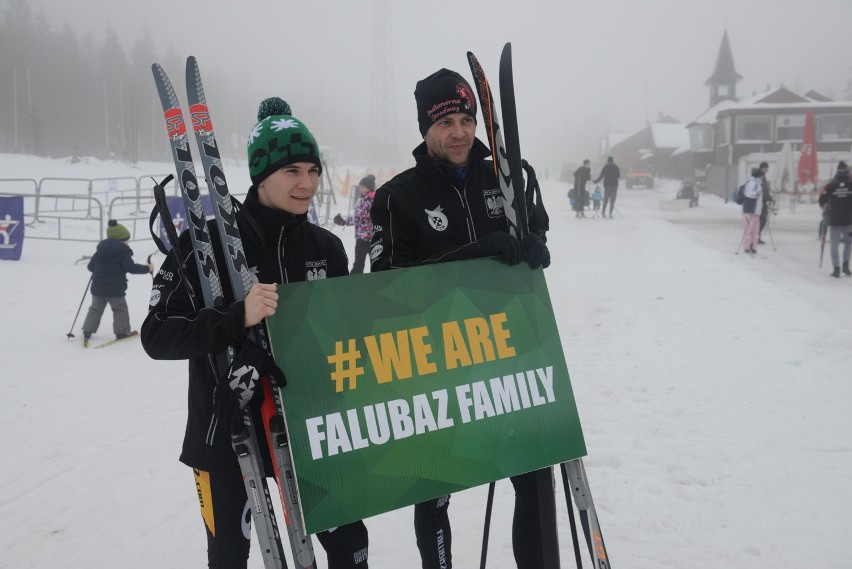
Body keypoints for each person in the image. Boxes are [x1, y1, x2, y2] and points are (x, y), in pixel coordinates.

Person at [141, 97, 368, 569]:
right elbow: (156, 333)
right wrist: (233, 319)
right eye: (291, 172)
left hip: (311, 429)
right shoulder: (204, 242)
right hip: (226, 433)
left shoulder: (327, 248)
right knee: (230, 557)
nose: (306, 183)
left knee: (350, 549)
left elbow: (344, 337)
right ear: (260, 176)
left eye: (313, 170)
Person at [369, 67, 552, 569]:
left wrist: (536, 247)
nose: (459, 132)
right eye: (445, 120)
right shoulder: (395, 197)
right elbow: (384, 284)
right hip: (434, 366)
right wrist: (471, 256)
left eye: (466, 118)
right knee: (435, 492)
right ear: (425, 129)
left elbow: (537, 229)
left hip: (510, 354)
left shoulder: (512, 176)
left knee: (535, 479)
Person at [81, 219, 153, 345]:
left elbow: (90, 267)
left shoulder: (100, 249)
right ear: (122, 239)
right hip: (115, 289)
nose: (127, 242)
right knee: (120, 309)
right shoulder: (123, 251)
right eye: (127, 239)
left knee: (95, 309)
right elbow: (130, 267)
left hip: (97, 287)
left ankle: (87, 330)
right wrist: (147, 269)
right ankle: (122, 332)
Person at [334, 174, 377, 273]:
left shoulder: (366, 201)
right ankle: (377, 280)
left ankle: (354, 282)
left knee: (359, 262)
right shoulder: (373, 199)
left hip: (363, 238)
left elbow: (359, 219)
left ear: (368, 188)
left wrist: (343, 221)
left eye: (362, 186)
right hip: (373, 237)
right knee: (375, 262)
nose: (360, 188)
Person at [818, 160, 852, 277]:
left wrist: (826, 208)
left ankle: (836, 268)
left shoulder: (831, 185)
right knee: (848, 243)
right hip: (848, 220)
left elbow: (822, 201)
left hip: (834, 221)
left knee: (834, 244)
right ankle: (846, 266)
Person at [741, 167, 764, 255]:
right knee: (749, 229)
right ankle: (747, 247)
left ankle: (753, 247)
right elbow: (748, 194)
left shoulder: (758, 183)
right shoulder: (752, 182)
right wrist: (757, 194)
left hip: (756, 211)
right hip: (749, 210)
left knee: (755, 230)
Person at [757, 161, 774, 244]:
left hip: (763, 201)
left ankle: (757, 237)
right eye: (766, 168)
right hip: (759, 202)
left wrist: (769, 198)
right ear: (762, 168)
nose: (767, 170)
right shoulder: (759, 177)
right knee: (761, 220)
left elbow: (765, 190)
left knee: (762, 220)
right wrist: (767, 197)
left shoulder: (763, 177)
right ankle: (756, 237)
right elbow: (761, 190)